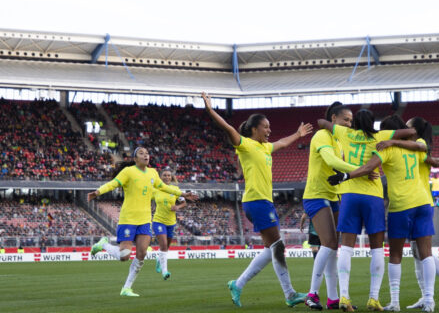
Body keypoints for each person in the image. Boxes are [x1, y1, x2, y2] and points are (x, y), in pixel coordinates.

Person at [202, 92, 311, 308]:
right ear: (254, 129)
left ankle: (238, 284)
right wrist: (210, 109)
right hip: (256, 201)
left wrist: (298, 134)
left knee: (273, 249)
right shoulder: (245, 145)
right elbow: (229, 129)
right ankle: (289, 294)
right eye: (266, 127)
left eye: (270, 127)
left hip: (264, 202)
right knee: (278, 247)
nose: (269, 131)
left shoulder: (265, 147)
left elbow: (282, 142)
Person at [328, 115, 433, 312]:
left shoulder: (346, 133)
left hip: (351, 193)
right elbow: (418, 141)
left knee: (347, 247)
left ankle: (343, 295)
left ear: (354, 123)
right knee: (378, 249)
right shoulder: (384, 138)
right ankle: (374, 298)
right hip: (376, 197)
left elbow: (322, 123)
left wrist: (335, 123)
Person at [384, 117, 439, 311]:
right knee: (417, 253)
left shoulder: (418, 145)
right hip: (420, 201)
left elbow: (429, 158)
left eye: (407, 126)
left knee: (422, 253)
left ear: (414, 131)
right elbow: (432, 160)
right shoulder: (413, 146)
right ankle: (428, 295)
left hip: (416, 201)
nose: (404, 128)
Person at [87, 147, 193, 297]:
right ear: (135, 159)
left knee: (141, 254)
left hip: (145, 220)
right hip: (128, 219)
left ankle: (126, 288)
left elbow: (164, 187)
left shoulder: (153, 173)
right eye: (141, 153)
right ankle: (103, 244)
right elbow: (113, 183)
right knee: (124, 255)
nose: (146, 155)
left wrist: (183, 194)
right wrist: (97, 192)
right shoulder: (129, 171)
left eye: (147, 153)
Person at [303, 101, 372, 310]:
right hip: (316, 195)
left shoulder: (340, 140)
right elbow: (331, 161)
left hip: (334, 196)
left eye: (351, 121)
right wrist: (362, 169)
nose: (349, 124)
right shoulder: (322, 136)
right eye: (346, 120)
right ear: (333, 118)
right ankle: (312, 294)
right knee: (330, 243)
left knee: (333, 247)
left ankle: (333, 298)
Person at [151, 167, 190, 280]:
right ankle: (165, 271)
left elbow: (184, 203)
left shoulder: (175, 189)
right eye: (165, 175)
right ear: (160, 177)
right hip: (158, 221)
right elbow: (145, 197)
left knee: (166, 248)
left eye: (169, 175)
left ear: (171, 177)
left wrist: (177, 206)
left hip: (171, 222)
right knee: (163, 245)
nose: (167, 177)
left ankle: (159, 259)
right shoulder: (156, 189)